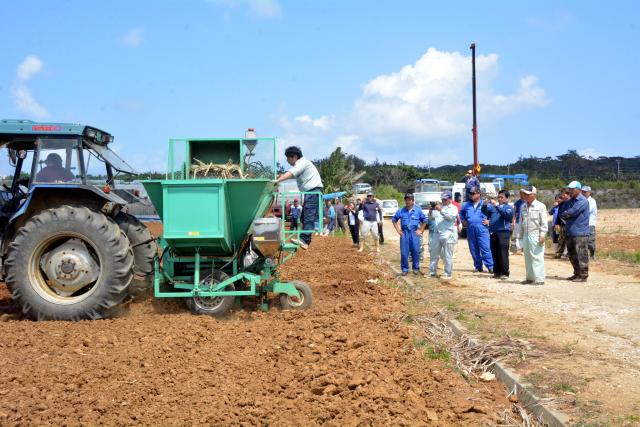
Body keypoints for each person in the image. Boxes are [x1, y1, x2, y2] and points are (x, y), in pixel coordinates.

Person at [274, 146, 323, 249]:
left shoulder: (301, 163)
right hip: (310, 193)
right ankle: (305, 241)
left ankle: (304, 240)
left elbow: (291, 173)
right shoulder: (301, 164)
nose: (287, 160)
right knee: (304, 216)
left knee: (308, 216)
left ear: (294, 157)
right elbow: (290, 174)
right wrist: (279, 177)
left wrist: (277, 181)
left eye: (288, 158)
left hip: (313, 192)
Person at [516, 185, 547, 285]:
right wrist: (518, 236)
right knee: (528, 257)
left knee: (537, 257)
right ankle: (530, 278)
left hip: (536, 234)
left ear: (533, 195)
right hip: (526, 235)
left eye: (527, 194)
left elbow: (544, 223)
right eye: (524, 194)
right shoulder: (523, 206)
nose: (525, 195)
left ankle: (539, 279)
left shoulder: (540, 206)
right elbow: (521, 222)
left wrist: (542, 235)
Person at [560, 181, 590, 282]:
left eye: (573, 189)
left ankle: (583, 275)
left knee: (581, 255)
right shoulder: (570, 201)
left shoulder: (583, 201)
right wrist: (566, 213)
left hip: (580, 233)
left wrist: (566, 213)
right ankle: (576, 273)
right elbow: (562, 213)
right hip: (570, 232)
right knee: (572, 255)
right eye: (570, 189)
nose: (570, 191)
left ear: (579, 190)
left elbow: (573, 212)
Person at [459, 186, 494, 273]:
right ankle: (478, 267)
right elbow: (461, 213)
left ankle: (490, 266)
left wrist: (489, 221)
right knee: (473, 248)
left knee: (485, 248)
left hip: (482, 228)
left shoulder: (485, 204)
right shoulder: (466, 205)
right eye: (470, 193)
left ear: (479, 193)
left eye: (473, 193)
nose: (471, 195)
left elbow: (494, 213)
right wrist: (463, 221)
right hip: (470, 228)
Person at [392, 193, 427, 276]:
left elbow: (425, 220)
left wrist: (421, 230)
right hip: (405, 234)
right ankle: (405, 269)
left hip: (414, 233)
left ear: (413, 201)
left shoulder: (418, 210)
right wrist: (398, 231)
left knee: (415, 251)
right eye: (406, 199)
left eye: (409, 200)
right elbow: (394, 220)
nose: (407, 201)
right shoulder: (401, 210)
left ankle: (416, 268)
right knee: (404, 253)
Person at [428, 191, 458, 279]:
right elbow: (431, 218)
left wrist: (441, 210)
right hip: (437, 233)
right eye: (442, 199)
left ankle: (447, 273)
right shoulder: (439, 207)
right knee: (434, 253)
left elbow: (450, 218)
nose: (443, 200)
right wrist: (430, 211)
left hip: (448, 233)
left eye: (445, 199)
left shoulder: (453, 208)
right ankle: (432, 272)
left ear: (450, 199)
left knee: (447, 255)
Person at [486, 190, 514, 279]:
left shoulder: (508, 207)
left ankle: (505, 272)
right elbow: (485, 212)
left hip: (503, 232)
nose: (500, 199)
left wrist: (497, 207)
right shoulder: (494, 208)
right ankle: (497, 272)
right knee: (494, 252)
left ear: (507, 198)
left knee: (503, 253)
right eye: (499, 197)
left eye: (502, 197)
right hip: (494, 232)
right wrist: (484, 204)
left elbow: (507, 216)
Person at [581, 186, 598, 260]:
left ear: (589, 192)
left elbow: (586, 211)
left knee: (590, 241)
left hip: (590, 224)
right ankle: (584, 255)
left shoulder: (592, 201)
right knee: (582, 240)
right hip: (582, 224)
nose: (583, 193)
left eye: (585, 192)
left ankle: (592, 254)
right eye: (582, 191)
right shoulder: (581, 200)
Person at [554, 189, 571, 258]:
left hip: (569, 224)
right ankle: (559, 253)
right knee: (561, 239)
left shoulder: (571, 203)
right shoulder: (561, 203)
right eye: (562, 195)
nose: (562, 196)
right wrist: (557, 223)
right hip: (562, 224)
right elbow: (559, 214)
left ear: (568, 195)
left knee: (569, 240)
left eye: (564, 195)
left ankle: (568, 254)